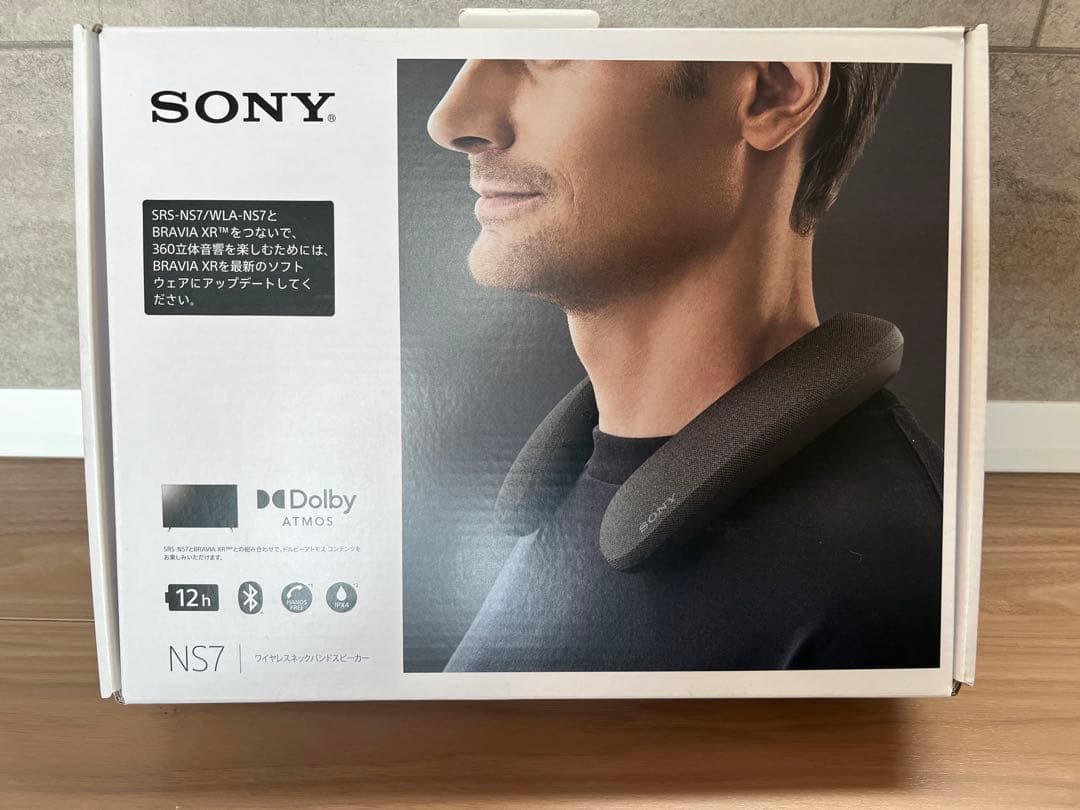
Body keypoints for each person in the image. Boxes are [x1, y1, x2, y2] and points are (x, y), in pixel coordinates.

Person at [426, 60, 943, 672]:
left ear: (773, 92)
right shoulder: (570, 495)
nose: (451, 120)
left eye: (548, 52)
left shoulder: (882, 572)